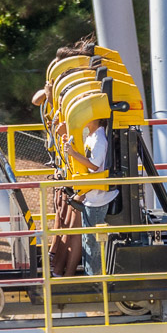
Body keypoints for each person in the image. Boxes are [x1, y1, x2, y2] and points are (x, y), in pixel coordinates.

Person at [62, 117, 119, 275]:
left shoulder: (99, 140)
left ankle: (95, 278)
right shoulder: (92, 136)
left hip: (97, 199)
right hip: (92, 196)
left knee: (92, 242)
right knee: (88, 240)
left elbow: (94, 165)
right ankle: (92, 275)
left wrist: (72, 153)